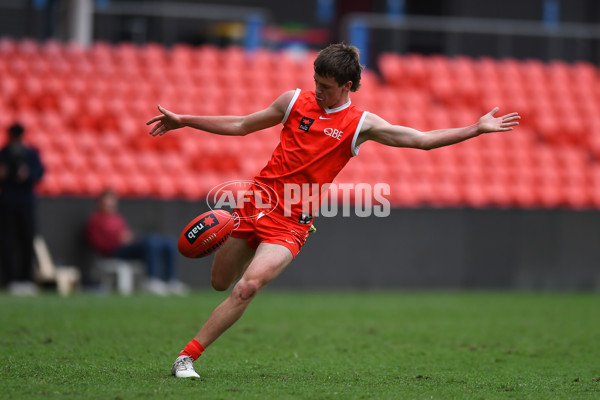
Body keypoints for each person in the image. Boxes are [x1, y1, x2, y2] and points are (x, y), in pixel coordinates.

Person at [146, 43, 520, 378]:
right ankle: (236, 251)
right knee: (219, 282)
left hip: (291, 223)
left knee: (246, 288)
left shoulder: (361, 124)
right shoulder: (293, 101)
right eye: (316, 82)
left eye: (325, 86)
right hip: (255, 202)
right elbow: (243, 125)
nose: (318, 91)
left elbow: (421, 141)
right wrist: (185, 120)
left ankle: (187, 357)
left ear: (347, 87)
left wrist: (476, 128)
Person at [85, 189, 188, 295]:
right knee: (150, 243)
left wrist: (129, 238)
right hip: (114, 251)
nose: (109, 205)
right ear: (100, 203)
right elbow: (97, 243)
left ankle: (171, 280)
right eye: (107, 201)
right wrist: (116, 240)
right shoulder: (95, 220)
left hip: (126, 247)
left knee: (167, 243)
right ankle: (151, 279)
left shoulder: (117, 218)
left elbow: (125, 233)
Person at [0, 123, 45, 295]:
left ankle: (26, 278)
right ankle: (9, 279)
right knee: (7, 242)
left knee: (27, 240)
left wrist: (27, 175)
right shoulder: (3, 154)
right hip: (7, 204)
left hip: (26, 203)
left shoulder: (30, 154)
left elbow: (39, 173)